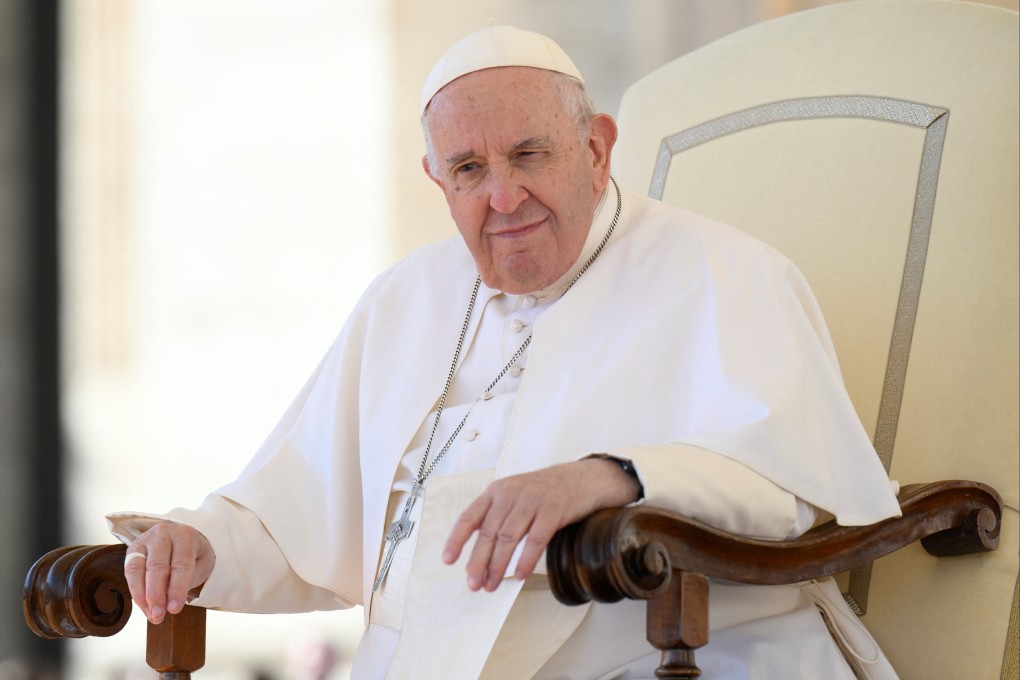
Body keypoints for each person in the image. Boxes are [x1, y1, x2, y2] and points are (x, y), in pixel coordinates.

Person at [108, 25, 903, 679]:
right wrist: (202, 542)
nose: (503, 196)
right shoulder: (404, 301)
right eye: (468, 169)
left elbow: (793, 484)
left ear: (595, 149)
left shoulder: (724, 273)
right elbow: (297, 512)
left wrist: (611, 475)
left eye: (528, 155)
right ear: (437, 179)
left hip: (677, 656)